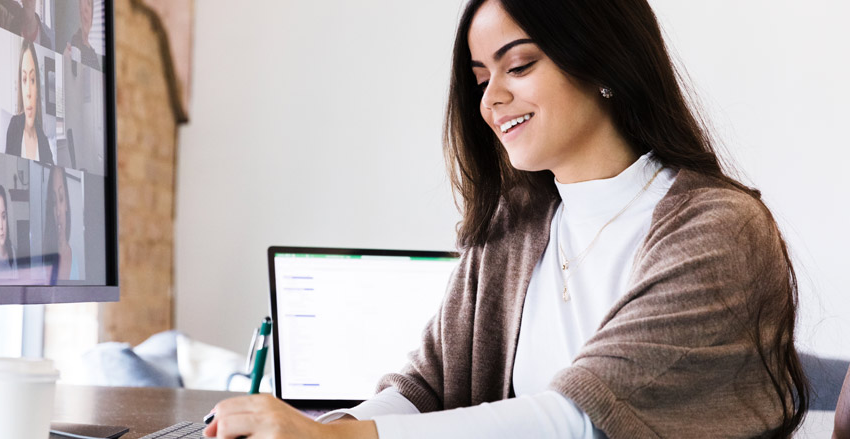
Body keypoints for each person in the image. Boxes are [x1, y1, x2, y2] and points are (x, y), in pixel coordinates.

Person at [204, 0, 809, 438]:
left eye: (518, 66)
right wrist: (322, 428)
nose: (491, 99)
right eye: (480, 77)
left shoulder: (721, 229)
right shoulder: (513, 229)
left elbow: (587, 416)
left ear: (603, 66)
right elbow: (425, 390)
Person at [5, 40, 54, 164]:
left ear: (38, 87)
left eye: (32, 80)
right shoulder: (13, 127)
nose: (28, 92)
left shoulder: (44, 141)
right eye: (24, 79)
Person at [43, 166, 77, 281]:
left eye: (61, 198)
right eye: (53, 201)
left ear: (67, 204)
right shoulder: (46, 256)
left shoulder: (75, 258)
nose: (58, 211)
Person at [63, 0, 102, 71]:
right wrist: (65, 63)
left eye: (89, 4)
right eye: (82, 4)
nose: (85, 9)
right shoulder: (74, 44)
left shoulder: (93, 54)